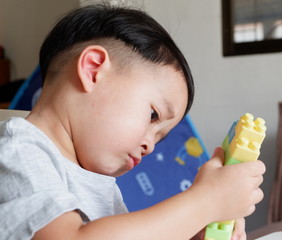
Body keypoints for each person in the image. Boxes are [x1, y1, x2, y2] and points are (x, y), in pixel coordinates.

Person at [0, 4, 265, 240]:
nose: (150, 146)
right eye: (153, 116)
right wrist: (206, 201)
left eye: (160, 137)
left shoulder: (100, 186)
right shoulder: (19, 150)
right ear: (93, 70)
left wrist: (191, 230)